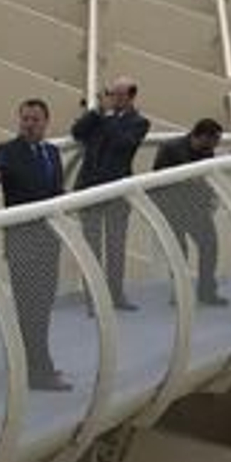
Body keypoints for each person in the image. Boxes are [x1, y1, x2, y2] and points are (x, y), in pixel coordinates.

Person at [0, 100, 71, 391]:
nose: (29, 124)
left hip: (49, 241)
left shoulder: (52, 152)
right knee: (28, 308)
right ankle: (39, 371)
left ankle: (34, 366)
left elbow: (57, 191)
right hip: (23, 243)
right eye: (25, 119)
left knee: (43, 306)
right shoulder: (8, 150)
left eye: (35, 119)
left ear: (46, 122)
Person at [72, 76, 150, 310]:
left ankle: (116, 295)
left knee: (116, 247)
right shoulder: (100, 117)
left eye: (117, 94)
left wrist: (106, 118)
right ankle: (93, 298)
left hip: (117, 191)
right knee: (91, 247)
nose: (112, 98)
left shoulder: (139, 122)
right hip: (89, 188)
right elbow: (77, 132)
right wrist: (97, 113)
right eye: (111, 93)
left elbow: (123, 143)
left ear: (130, 97)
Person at [151, 118, 227, 307]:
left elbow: (205, 177)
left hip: (196, 208)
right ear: (202, 136)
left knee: (210, 246)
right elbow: (157, 179)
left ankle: (207, 291)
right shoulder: (170, 148)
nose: (215, 146)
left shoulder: (206, 150)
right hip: (172, 209)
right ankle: (180, 293)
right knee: (179, 252)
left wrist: (209, 197)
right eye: (214, 140)